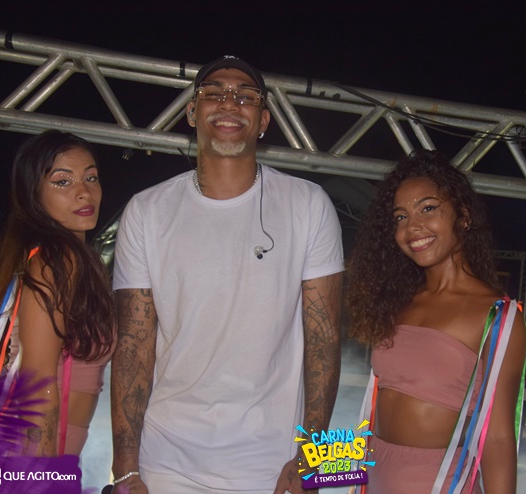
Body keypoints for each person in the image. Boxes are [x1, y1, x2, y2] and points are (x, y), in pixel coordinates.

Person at [110, 55, 344, 493]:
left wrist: (312, 460)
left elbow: (325, 339)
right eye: (213, 93)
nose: (229, 102)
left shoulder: (308, 203)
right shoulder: (146, 210)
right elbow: (134, 344)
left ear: (264, 120)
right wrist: (125, 467)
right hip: (167, 463)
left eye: (246, 96)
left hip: (272, 467)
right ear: (191, 112)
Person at [347, 150, 526, 494]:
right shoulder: (397, 304)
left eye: (428, 209)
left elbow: (498, 437)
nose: (412, 227)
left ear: (464, 216)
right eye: (401, 217)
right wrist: (311, 471)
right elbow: (372, 412)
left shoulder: (497, 316)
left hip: (441, 483)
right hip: (374, 476)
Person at [0, 129, 116, 456]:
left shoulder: (75, 262)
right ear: (33, 194)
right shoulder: (55, 261)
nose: (84, 192)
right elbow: (37, 383)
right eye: (62, 181)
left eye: (91, 178)